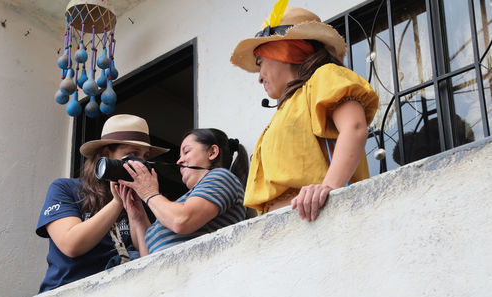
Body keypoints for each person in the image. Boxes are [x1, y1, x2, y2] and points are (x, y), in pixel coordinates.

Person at [230, 5, 379, 221]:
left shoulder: (324, 77)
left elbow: (354, 128)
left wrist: (329, 187)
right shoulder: (285, 110)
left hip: (318, 218)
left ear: (284, 52)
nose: (260, 77)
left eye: (260, 62)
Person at [35, 114, 169, 292]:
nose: (140, 164)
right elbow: (71, 244)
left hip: (122, 294)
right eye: (132, 155)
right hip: (67, 296)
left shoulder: (140, 200)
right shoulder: (66, 188)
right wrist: (117, 203)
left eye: (144, 157)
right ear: (106, 155)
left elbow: (151, 257)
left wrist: (138, 209)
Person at [116, 128, 248, 255]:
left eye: (186, 151)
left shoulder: (221, 177)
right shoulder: (180, 204)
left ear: (212, 152)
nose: (179, 160)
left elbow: (182, 221)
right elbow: (147, 259)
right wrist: (138, 218)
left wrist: (149, 194)